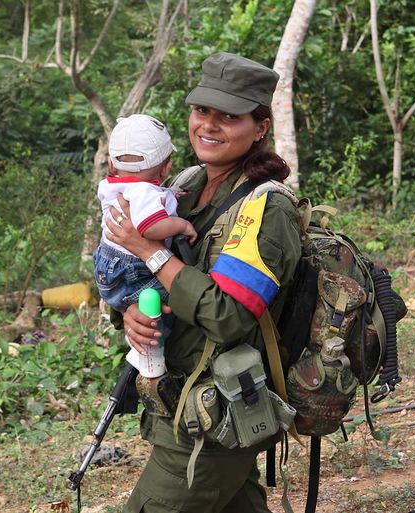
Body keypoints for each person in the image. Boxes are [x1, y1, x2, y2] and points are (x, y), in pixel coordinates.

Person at [103, 52, 301, 513]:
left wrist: (148, 251)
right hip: (182, 406)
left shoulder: (265, 208)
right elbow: (138, 272)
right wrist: (130, 313)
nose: (208, 126)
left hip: (218, 410)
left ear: (260, 128)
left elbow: (228, 316)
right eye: (201, 111)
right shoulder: (184, 186)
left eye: (229, 116)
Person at [93, 113, 197, 313]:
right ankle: (154, 343)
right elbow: (150, 227)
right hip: (132, 269)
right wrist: (182, 225)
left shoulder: (112, 186)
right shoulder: (144, 192)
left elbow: (141, 195)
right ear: (166, 168)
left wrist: (169, 194)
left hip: (107, 266)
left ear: (111, 163)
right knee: (180, 300)